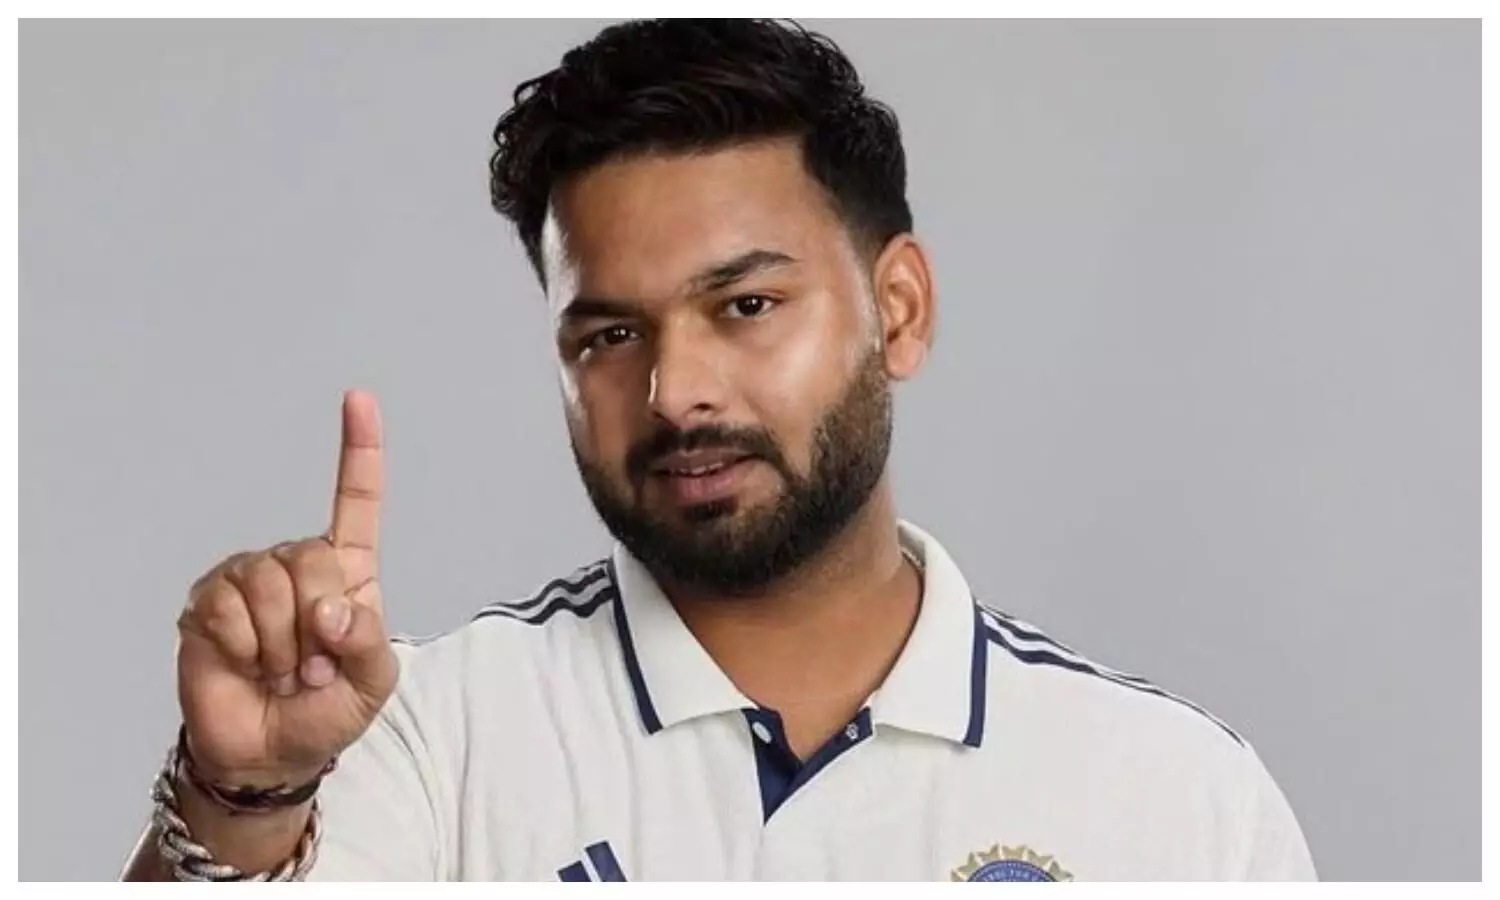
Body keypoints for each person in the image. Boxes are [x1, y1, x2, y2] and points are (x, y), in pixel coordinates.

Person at [121, 18, 1316, 882]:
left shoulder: (1177, 798)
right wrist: (243, 796)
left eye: (746, 306)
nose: (674, 391)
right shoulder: (424, 733)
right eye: (609, 334)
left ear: (898, 310)